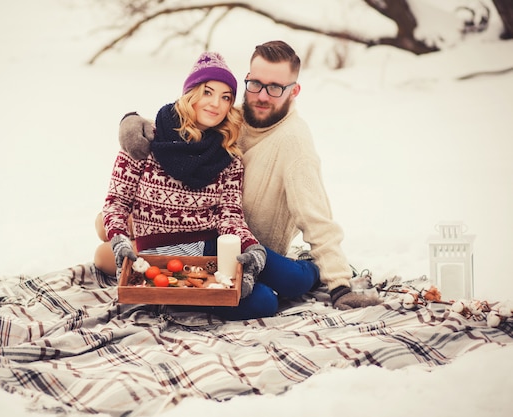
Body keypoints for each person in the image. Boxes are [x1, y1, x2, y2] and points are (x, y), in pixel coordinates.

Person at [116, 41, 380, 311]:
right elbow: (182, 127)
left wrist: (339, 285)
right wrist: (135, 121)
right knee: (106, 228)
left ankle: (310, 268)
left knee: (293, 282)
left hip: (250, 244)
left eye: (276, 87)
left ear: (294, 91)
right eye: (255, 84)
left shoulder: (294, 144)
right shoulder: (230, 120)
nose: (262, 96)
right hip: (195, 242)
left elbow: (317, 219)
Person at [96, 52, 271, 319]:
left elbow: (230, 216)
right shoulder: (144, 141)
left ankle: (311, 270)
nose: (216, 104)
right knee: (264, 303)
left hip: (209, 250)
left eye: (226, 97)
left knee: (293, 280)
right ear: (190, 93)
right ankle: (186, 299)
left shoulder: (228, 155)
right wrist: (119, 240)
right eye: (207, 92)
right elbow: (116, 204)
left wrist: (250, 248)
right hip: (154, 257)